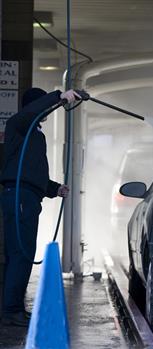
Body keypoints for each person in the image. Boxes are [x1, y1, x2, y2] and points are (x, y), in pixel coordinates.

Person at [0, 87, 81, 326]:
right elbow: (29, 113)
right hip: (20, 197)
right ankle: (11, 311)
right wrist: (59, 96)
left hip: (26, 197)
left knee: (21, 253)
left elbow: (30, 172)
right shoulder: (20, 125)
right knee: (21, 254)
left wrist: (54, 188)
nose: (48, 111)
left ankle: (13, 308)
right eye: (44, 107)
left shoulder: (35, 134)